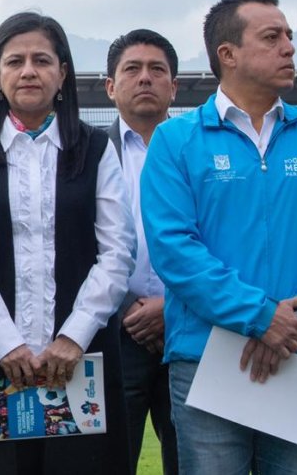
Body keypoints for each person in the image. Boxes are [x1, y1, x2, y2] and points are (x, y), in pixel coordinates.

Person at [141, 0, 297, 474]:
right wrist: (260, 317)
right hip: (208, 357)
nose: (290, 47)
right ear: (227, 54)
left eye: (289, 36)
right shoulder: (175, 141)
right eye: (272, 37)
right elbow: (174, 249)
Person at [0, 12, 134, 474]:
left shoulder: (95, 150)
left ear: (62, 72)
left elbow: (117, 251)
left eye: (42, 60)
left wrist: (73, 336)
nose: (28, 71)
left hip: (81, 361)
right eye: (15, 61)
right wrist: (7, 344)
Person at [104, 29, 180, 474]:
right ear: (111, 86)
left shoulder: (202, 152)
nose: (145, 78)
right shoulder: (87, 154)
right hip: (116, 334)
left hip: (189, 331)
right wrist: (133, 307)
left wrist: (172, 306)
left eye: (158, 70)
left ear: (174, 86)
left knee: (194, 462)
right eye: (132, 69)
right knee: (111, 461)